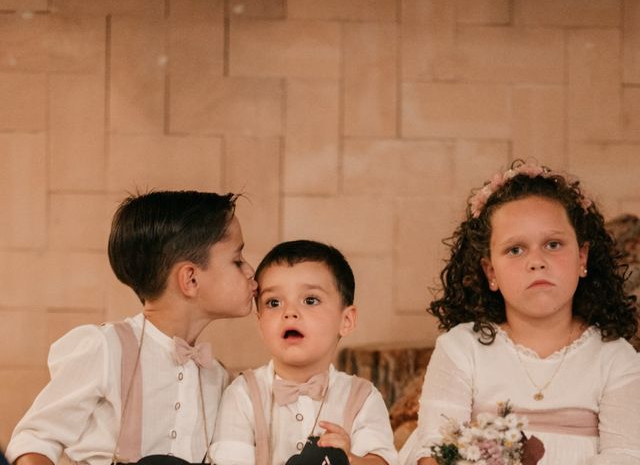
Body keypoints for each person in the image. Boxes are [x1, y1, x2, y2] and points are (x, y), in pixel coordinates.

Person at [400, 160, 640, 465]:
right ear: (491, 272)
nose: (536, 261)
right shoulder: (462, 347)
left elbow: (626, 455)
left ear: (582, 257)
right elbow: (434, 450)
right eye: (515, 250)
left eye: (553, 244)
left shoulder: (615, 358)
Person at [6, 191, 258, 465]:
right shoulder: (105, 348)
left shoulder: (217, 377)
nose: (250, 271)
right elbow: (35, 440)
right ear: (191, 279)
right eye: (237, 260)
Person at [210, 240, 398, 465]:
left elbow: (381, 461)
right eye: (274, 302)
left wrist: (347, 458)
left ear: (346, 320)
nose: (289, 312)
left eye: (310, 300)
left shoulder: (362, 397)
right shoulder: (243, 394)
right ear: (260, 323)